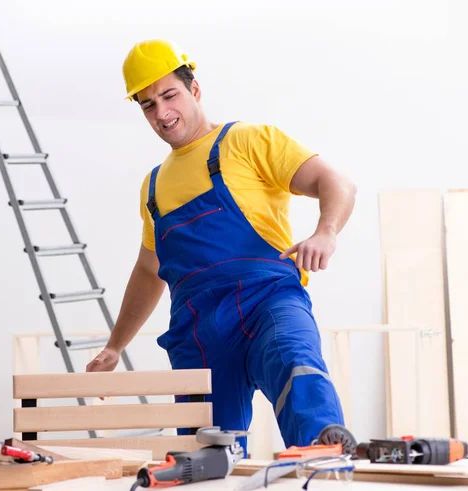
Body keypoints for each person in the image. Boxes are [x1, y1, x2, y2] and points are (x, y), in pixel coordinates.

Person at [87, 39, 357, 455]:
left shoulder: (247, 140)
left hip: (267, 303)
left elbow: (335, 182)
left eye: (169, 94)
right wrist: (115, 346)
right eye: (147, 104)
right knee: (207, 458)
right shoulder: (153, 186)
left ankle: (324, 469)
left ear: (194, 90)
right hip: (198, 330)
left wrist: (326, 231)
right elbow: (148, 270)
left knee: (298, 371)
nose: (161, 112)